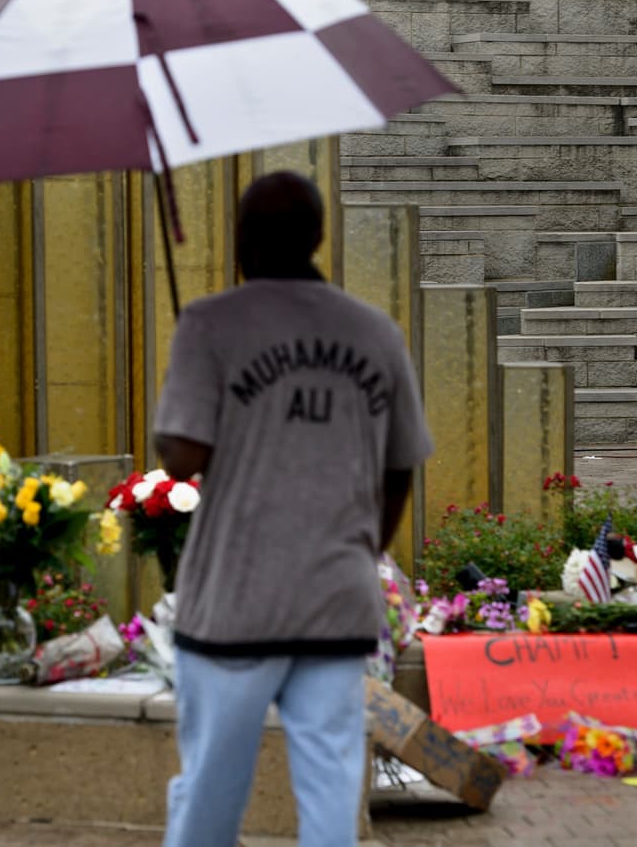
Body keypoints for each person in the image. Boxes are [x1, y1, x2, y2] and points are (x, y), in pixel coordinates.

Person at [154, 171, 434, 847]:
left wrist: (188, 380)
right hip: (334, 599)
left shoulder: (210, 323)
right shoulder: (376, 333)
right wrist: (361, 548)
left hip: (233, 603)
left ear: (240, 242)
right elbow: (401, 466)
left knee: (211, 795)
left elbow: (179, 460)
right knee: (332, 791)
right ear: (317, 237)